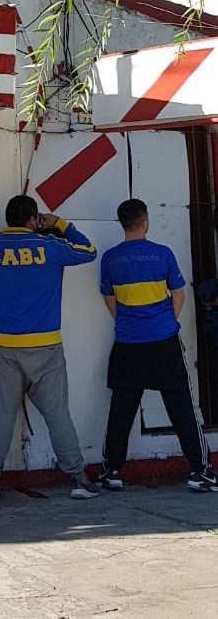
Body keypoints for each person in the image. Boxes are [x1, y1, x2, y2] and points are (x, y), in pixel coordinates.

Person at [0, 194, 100, 502]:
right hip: (46, 347)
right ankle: (79, 480)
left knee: (0, 420)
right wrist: (59, 223)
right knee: (59, 416)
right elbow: (89, 250)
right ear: (34, 219)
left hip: (2, 348)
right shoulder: (51, 247)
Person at [98, 198, 217, 492]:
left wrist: (129, 322)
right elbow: (179, 294)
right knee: (181, 406)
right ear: (145, 221)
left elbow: (110, 300)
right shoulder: (162, 254)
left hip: (127, 341)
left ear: (122, 222)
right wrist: (165, 321)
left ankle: (111, 470)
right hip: (163, 340)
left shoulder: (110, 259)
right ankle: (200, 471)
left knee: (122, 408)